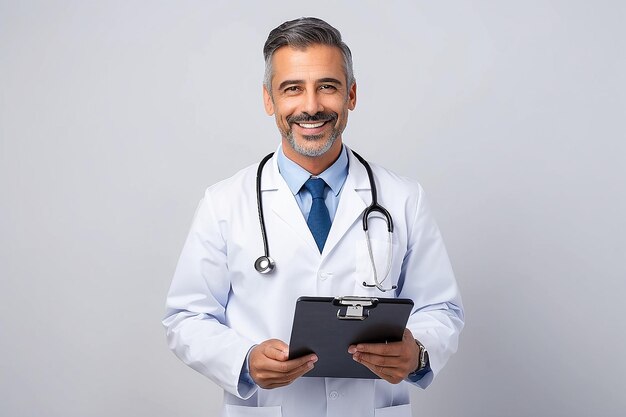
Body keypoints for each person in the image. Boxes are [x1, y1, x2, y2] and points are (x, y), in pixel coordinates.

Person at [163, 17, 464, 417]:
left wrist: (418, 352)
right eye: (292, 89)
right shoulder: (224, 202)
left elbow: (441, 310)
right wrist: (245, 359)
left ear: (351, 95)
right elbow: (186, 317)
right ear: (269, 99)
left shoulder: (403, 198)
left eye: (327, 86)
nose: (311, 106)